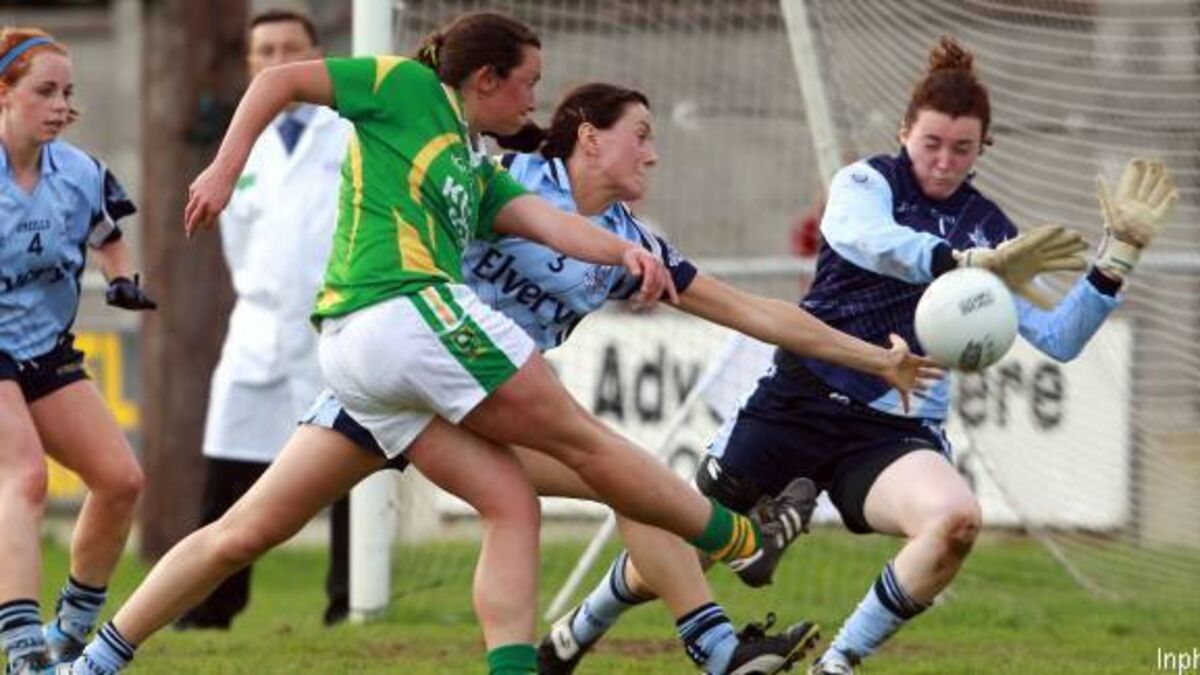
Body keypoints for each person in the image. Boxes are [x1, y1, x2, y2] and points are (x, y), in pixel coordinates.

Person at [60, 13, 825, 675]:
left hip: (367, 362)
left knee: (496, 504)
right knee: (592, 445)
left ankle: (91, 662)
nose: (535, 102)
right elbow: (278, 81)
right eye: (528, 83)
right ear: (486, 78)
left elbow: (554, 226)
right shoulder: (404, 85)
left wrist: (624, 252)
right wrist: (225, 170)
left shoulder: (473, 166)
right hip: (405, 317)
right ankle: (742, 541)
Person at [548, 36, 1178, 675]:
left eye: (962, 148)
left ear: (983, 148)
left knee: (956, 520)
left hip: (893, 425)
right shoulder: (865, 183)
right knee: (688, 547)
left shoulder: (989, 229)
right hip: (797, 401)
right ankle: (576, 632)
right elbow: (866, 240)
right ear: (904, 133)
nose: (943, 162)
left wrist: (1117, 257)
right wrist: (960, 263)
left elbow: (1059, 338)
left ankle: (838, 663)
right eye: (930, 143)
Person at [175, 8, 355, 632]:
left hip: (337, 329)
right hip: (256, 330)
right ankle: (208, 609)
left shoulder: (349, 133)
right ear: (251, 64)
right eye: (266, 51)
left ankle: (349, 603)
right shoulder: (238, 143)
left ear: (316, 56)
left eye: (292, 49)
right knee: (229, 471)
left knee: (350, 471)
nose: (279, 62)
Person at [0, 27, 155, 674]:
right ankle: (24, 652)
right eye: (45, 91)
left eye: (67, 92)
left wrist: (121, 279)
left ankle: (68, 632)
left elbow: (107, 234)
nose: (62, 105)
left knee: (121, 481)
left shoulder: (78, 172)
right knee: (25, 476)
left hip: (43, 346)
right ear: (3, 94)